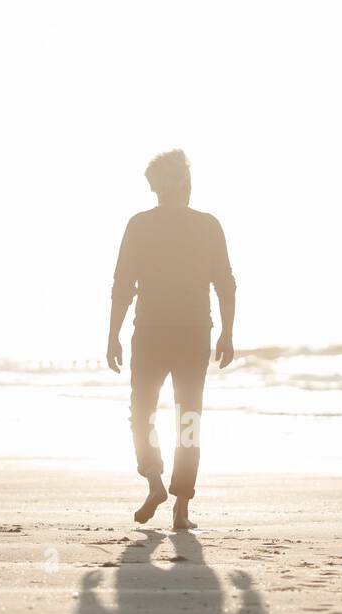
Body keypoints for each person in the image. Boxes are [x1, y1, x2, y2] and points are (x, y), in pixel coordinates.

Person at [107, 149, 237, 530]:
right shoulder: (208, 225)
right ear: (185, 184)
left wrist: (112, 334)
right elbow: (225, 285)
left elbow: (122, 286)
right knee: (189, 416)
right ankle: (182, 507)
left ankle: (153, 478)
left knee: (142, 412)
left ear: (157, 188)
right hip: (194, 333)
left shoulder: (139, 225)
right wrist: (228, 333)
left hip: (149, 333)